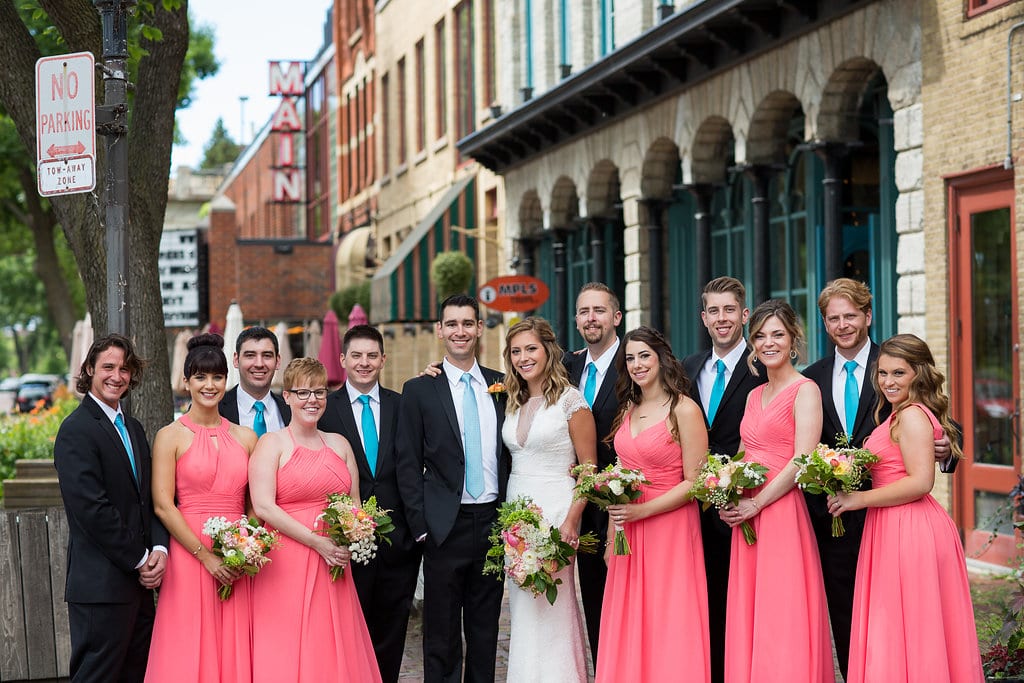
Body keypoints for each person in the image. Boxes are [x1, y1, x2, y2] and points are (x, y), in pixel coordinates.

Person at [802, 277, 956, 679]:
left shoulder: (895, 363)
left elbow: (941, 430)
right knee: (853, 621)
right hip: (835, 520)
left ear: (868, 316)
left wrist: (944, 450)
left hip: (895, 519)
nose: (843, 324)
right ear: (825, 323)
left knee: (902, 620)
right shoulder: (811, 378)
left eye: (850, 315)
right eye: (833, 318)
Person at [828, 334, 983, 682]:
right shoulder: (897, 413)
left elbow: (920, 482)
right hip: (891, 526)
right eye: (883, 374)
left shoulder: (912, 415)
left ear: (918, 374)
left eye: (898, 373)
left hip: (908, 528)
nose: (888, 382)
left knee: (911, 625)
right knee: (897, 626)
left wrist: (858, 500)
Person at [395, 294, 511, 683]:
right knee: (441, 633)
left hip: (494, 520)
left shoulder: (502, 385)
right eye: (452, 324)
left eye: (468, 323)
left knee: (485, 628)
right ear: (440, 330)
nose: (460, 331)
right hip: (445, 525)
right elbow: (407, 463)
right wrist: (422, 526)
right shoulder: (419, 390)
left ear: (480, 328)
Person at [718, 300, 834, 683]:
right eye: (761, 336)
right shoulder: (754, 395)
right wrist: (724, 488)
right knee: (752, 609)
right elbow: (743, 452)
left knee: (782, 609)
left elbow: (803, 460)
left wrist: (757, 504)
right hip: (748, 514)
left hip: (781, 512)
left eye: (778, 335)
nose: (769, 343)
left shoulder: (806, 390)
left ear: (793, 339)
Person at [249, 357, 380, 682]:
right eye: (303, 392)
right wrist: (315, 541)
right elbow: (264, 507)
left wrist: (355, 534)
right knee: (289, 643)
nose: (312, 400)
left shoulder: (339, 444)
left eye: (319, 392)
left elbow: (355, 504)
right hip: (287, 560)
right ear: (288, 396)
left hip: (333, 562)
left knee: (331, 643)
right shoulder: (271, 444)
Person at [597, 326, 710, 683]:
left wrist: (644, 510)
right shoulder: (629, 408)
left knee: (669, 615)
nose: (636, 364)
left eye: (644, 355)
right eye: (630, 358)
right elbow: (622, 475)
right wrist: (613, 532)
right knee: (631, 617)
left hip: (670, 528)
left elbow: (696, 482)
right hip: (628, 531)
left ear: (661, 358)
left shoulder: (684, 409)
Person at [54, 334, 169, 682]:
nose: (116, 376)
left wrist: (160, 549)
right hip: (101, 588)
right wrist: (140, 558)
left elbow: (149, 498)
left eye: (124, 368)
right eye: (108, 367)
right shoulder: (76, 430)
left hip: (139, 587)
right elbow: (92, 510)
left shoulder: (133, 428)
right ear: (89, 369)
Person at [145, 333, 257, 682]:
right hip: (189, 556)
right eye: (201, 377)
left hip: (236, 559)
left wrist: (244, 549)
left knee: (234, 641)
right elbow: (163, 506)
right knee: (188, 643)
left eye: (217, 377)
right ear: (187, 381)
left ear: (227, 380)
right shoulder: (170, 436)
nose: (210, 385)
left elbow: (255, 506)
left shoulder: (246, 437)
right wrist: (206, 557)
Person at [318, 325, 420, 683]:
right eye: (356, 356)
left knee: (393, 633)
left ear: (383, 360)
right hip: (345, 543)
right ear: (343, 359)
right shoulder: (324, 409)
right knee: (346, 633)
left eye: (372, 356)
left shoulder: (404, 404)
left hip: (399, 543)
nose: (364, 363)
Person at [501, 317, 596, 682]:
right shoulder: (512, 399)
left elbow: (589, 468)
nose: (524, 357)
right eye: (516, 351)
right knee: (524, 612)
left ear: (548, 350)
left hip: (556, 514)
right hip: (516, 517)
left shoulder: (572, 401)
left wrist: (572, 520)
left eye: (531, 348)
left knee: (553, 607)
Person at [682, 276, 765, 683]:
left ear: (745, 315)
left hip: (747, 505)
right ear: (704, 318)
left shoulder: (764, 366)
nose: (722, 318)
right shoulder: (688, 367)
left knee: (745, 604)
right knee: (705, 602)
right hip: (694, 507)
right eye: (714, 311)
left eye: (729, 310)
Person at [562, 281, 622, 664]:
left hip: (626, 502)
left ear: (616, 317)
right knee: (595, 600)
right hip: (581, 504)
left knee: (629, 601)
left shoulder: (637, 360)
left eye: (599, 310)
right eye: (584, 312)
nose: (591, 318)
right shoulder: (566, 366)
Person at [219, 326, 290, 435]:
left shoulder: (291, 409)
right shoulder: (216, 409)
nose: (259, 364)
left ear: (278, 361)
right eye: (250, 355)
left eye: (267, 356)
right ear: (236, 360)